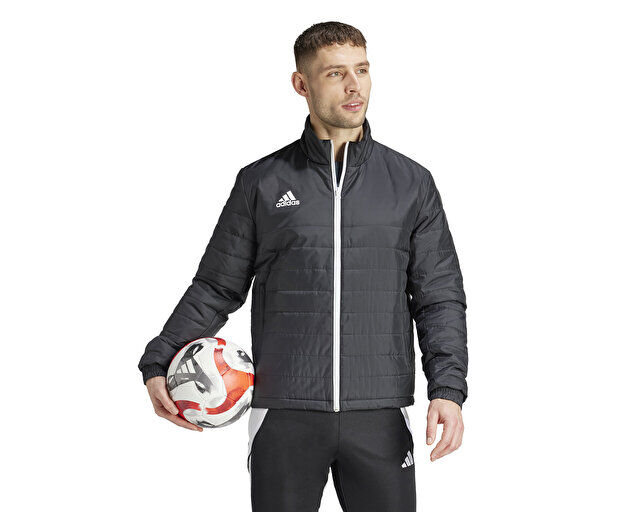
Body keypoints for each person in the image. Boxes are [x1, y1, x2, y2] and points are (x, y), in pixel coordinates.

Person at [138, 21, 468, 512]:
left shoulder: (411, 183)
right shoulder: (261, 182)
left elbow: (438, 296)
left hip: (379, 412)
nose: (354, 86)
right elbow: (216, 286)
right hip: (283, 413)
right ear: (301, 84)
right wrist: (158, 360)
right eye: (335, 73)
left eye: (362, 70)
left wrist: (448, 388)